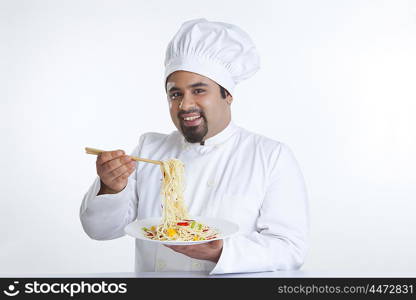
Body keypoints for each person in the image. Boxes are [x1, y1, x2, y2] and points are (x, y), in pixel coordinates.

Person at [80, 18, 309, 274]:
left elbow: (290, 248)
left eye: (199, 91)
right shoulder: (150, 149)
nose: (185, 105)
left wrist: (222, 252)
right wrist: (111, 187)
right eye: (175, 94)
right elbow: (99, 230)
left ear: (228, 95)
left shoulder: (270, 156)